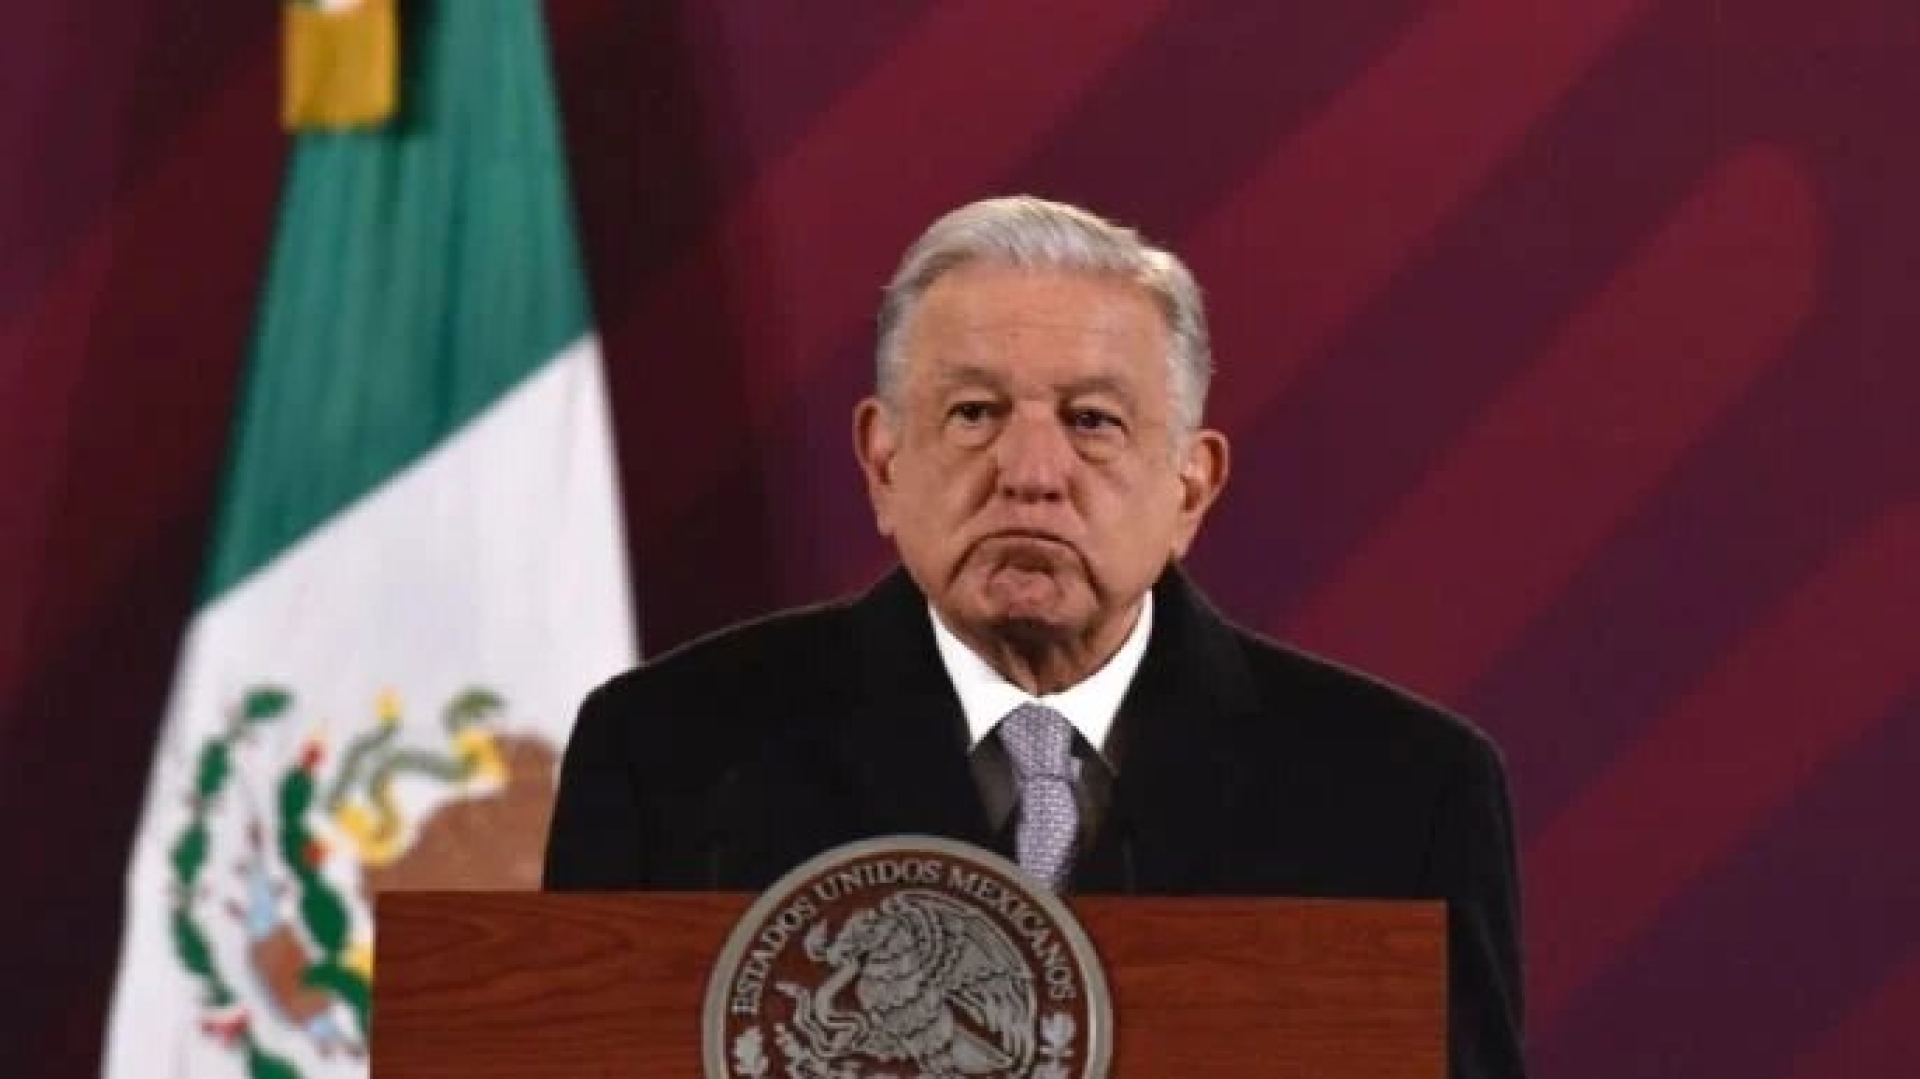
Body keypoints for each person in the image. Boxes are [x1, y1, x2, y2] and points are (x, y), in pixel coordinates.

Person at [544, 196, 1526, 1077]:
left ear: (1191, 486)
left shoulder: (1406, 790)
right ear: (884, 463)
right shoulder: (667, 751)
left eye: (1091, 420)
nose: (1031, 472)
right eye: (974, 413)